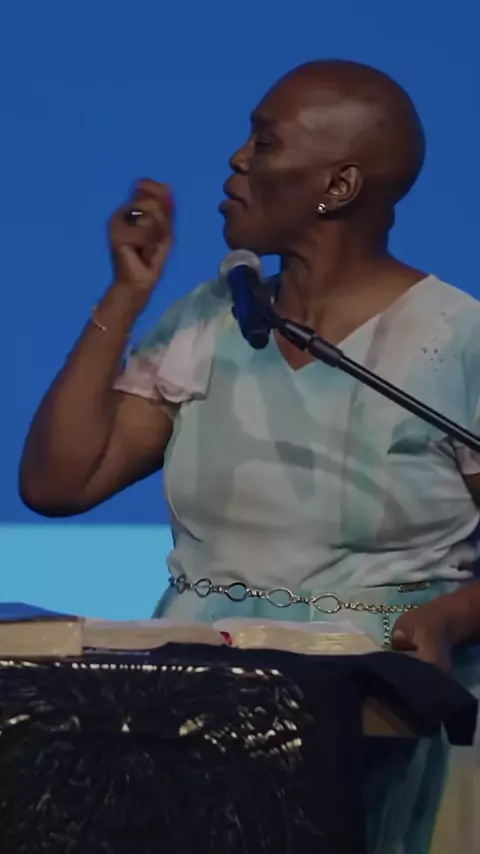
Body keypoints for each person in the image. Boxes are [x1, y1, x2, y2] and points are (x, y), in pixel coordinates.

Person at [19, 59, 480, 852]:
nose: (235, 160)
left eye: (264, 143)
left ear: (339, 186)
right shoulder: (209, 319)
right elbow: (60, 483)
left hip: (382, 713)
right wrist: (126, 295)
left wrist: (447, 618)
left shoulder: (459, 339)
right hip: (195, 713)